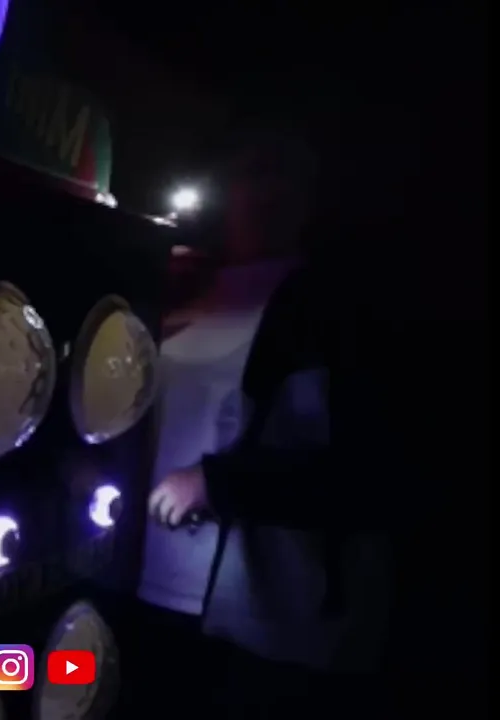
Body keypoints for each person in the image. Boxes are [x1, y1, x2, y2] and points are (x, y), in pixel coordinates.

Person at [146, 127, 392, 718]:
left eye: (287, 172)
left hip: (258, 620)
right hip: (140, 582)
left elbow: (369, 470)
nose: (269, 190)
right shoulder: (175, 286)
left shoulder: (335, 307)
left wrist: (215, 483)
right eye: (254, 169)